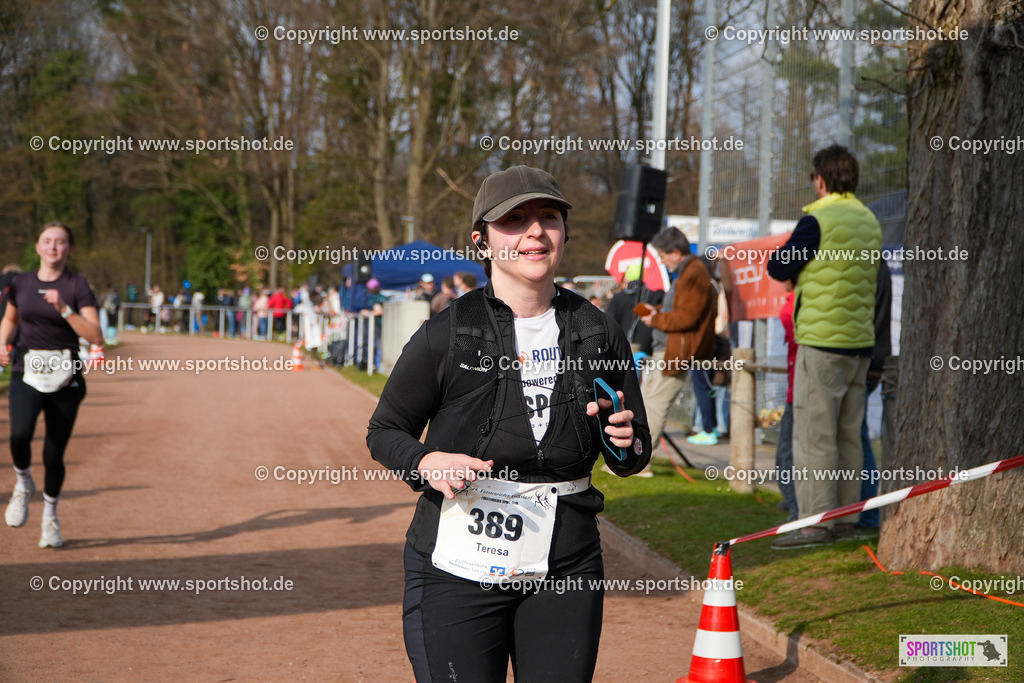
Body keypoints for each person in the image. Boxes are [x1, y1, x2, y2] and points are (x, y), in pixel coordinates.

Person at [366, 165, 652, 682]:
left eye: (548, 217)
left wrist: (625, 443)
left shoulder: (598, 330)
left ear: (564, 231)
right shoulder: (447, 333)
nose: (535, 232)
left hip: (566, 568)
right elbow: (385, 431)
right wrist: (427, 460)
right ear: (482, 241)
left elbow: (633, 454)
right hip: (456, 567)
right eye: (514, 221)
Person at [767, 144, 882, 549]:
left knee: (815, 437)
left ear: (820, 179)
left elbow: (779, 266)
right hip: (860, 342)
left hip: (822, 340)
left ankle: (815, 523)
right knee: (850, 434)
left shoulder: (818, 218)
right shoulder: (870, 220)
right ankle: (847, 518)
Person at [1, 222, 103, 548]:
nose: (53, 247)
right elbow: (10, 319)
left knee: (53, 454)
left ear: (70, 249)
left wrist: (64, 309)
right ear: (37, 246)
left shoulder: (78, 286)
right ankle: (22, 483)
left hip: (66, 376)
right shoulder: (21, 284)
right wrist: (2, 343)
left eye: (60, 242)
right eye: (47, 241)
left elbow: (94, 334)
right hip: (26, 370)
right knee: (19, 434)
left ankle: (50, 518)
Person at [638, 227, 718, 462]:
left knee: (655, 406)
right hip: (665, 349)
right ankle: (637, 460)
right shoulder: (686, 273)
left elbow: (687, 317)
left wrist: (655, 318)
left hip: (675, 352)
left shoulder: (694, 274)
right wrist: (659, 311)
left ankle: (640, 463)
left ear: (675, 252)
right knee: (646, 402)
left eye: (662, 255)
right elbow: (679, 311)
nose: (661, 261)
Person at [857, 258, 891, 531]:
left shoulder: (867, 265)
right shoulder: (875, 263)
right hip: (871, 359)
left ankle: (867, 515)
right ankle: (864, 514)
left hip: (864, 361)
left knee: (856, 436)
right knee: (856, 435)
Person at [775, 288, 799, 522]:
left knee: (786, 454)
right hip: (797, 384)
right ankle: (794, 503)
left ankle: (797, 511)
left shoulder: (800, 298)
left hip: (801, 387)